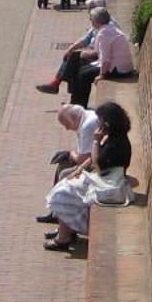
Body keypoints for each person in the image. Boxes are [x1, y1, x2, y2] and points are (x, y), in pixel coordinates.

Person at [42, 102, 135, 251]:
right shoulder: (113, 135)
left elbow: (98, 164)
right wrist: (78, 170)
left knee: (63, 193)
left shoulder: (116, 143)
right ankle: (66, 230)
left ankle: (64, 238)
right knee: (66, 179)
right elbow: (91, 160)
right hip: (104, 178)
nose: (97, 123)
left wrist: (96, 141)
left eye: (100, 120)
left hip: (109, 184)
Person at [34, 5, 135, 107]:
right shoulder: (108, 28)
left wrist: (101, 76)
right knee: (79, 67)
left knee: (83, 74)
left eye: (91, 19)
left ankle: (78, 104)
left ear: (97, 21)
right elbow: (100, 52)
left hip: (118, 69)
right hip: (117, 66)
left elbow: (106, 59)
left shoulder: (104, 33)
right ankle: (75, 103)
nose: (90, 21)